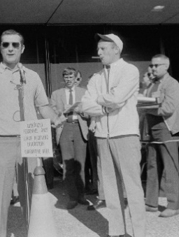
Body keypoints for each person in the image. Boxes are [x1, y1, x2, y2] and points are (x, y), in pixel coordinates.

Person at [0, 30, 58, 237]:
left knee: (34, 194)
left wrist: (58, 121)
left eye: (15, 45)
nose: (10, 48)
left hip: (31, 141)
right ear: (0, 48)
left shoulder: (32, 76)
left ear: (22, 48)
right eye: (6, 45)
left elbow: (44, 107)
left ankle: (34, 233)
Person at [73, 33, 143, 236]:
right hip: (103, 136)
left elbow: (118, 98)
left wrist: (100, 100)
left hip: (126, 134)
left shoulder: (130, 70)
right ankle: (117, 232)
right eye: (98, 49)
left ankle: (139, 233)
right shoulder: (96, 77)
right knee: (111, 189)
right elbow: (85, 104)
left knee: (133, 187)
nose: (99, 52)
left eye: (103, 49)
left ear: (116, 49)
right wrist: (104, 107)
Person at [142, 54, 179, 218]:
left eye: (156, 65)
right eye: (151, 65)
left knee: (170, 168)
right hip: (151, 129)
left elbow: (168, 108)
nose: (152, 68)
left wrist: (147, 108)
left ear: (166, 66)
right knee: (152, 166)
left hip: (168, 129)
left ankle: (173, 205)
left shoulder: (172, 84)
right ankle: (151, 203)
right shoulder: (151, 84)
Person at [50, 67, 90, 209]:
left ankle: (82, 195)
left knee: (81, 164)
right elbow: (51, 111)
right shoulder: (56, 94)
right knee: (68, 165)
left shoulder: (84, 92)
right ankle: (72, 197)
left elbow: (89, 111)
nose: (68, 79)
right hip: (65, 128)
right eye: (66, 77)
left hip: (80, 128)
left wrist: (79, 110)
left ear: (76, 78)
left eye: (70, 77)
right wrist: (61, 111)